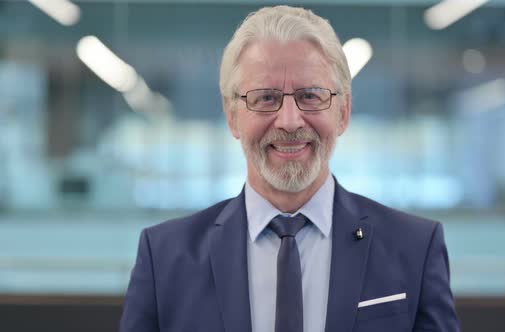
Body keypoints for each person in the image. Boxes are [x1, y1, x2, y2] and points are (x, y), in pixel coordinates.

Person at [120, 5, 460, 332]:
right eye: (266, 98)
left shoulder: (414, 248)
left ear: (343, 112)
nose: (289, 121)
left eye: (310, 96)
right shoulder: (164, 258)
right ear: (232, 115)